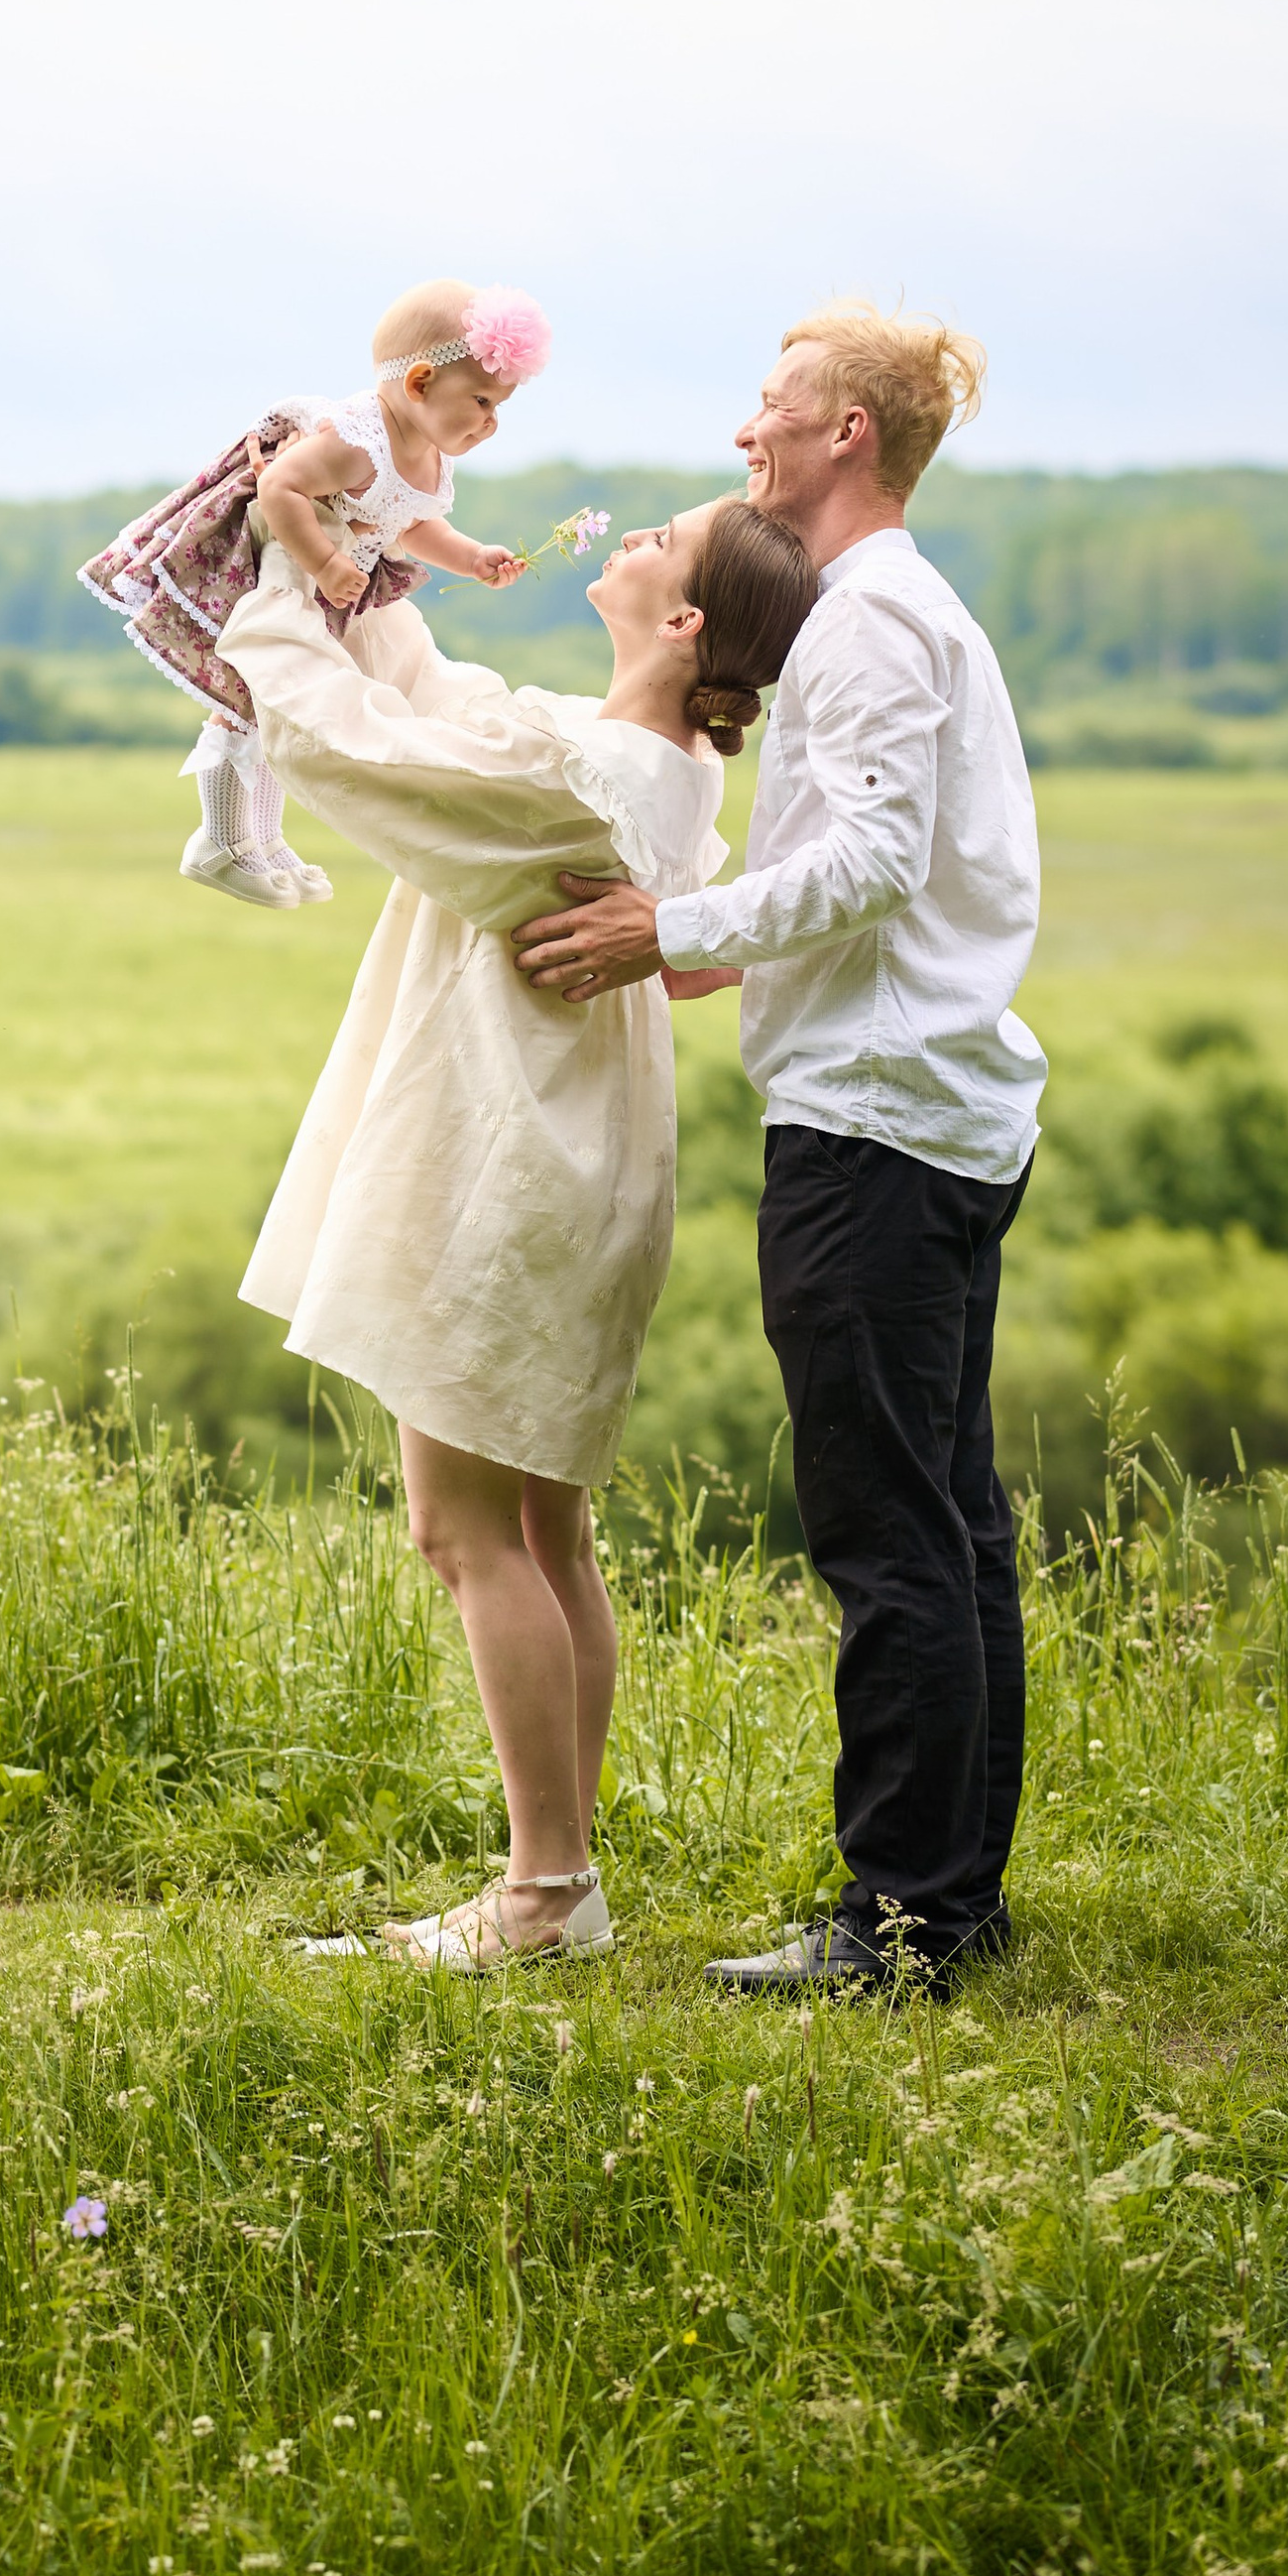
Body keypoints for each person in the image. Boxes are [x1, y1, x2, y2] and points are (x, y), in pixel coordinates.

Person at [516, 304, 1045, 1996]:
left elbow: (879, 860)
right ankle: (953, 1900)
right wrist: (728, 943)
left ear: (851, 440)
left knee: (889, 1535)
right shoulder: (893, 616)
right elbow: (890, 873)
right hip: (933, 1106)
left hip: (878, 1127)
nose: (748, 438)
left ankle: (896, 1928)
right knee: (951, 1524)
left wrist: (674, 917)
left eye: (773, 413)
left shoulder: (871, 624)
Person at [221, 494, 821, 1970]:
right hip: (571, 1157)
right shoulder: (646, 764)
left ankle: (545, 1894)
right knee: (546, 1528)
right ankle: (561, 1876)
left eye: (659, 540)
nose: (626, 538)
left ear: (683, 624)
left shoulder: (586, 770)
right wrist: (344, 555)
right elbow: (436, 700)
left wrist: (265, 607)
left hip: (512, 1164)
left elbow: (361, 748)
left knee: (464, 1526)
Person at [76, 280, 539, 908]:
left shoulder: (428, 453)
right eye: (482, 400)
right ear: (420, 383)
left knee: (287, 708)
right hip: (280, 569)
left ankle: (260, 838)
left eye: (500, 407)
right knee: (257, 695)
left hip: (330, 586)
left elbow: (415, 524)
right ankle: (220, 837)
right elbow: (280, 490)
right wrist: (322, 562)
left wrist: (471, 557)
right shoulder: (355, 440)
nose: (490, 423)